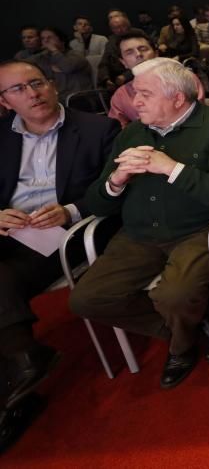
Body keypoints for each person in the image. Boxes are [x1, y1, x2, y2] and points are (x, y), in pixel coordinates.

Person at [68, 58, 209, 389]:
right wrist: (117, 180)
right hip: (137, 235)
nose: (134, 102)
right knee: (86, 299)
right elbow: (96, 203)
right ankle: (191, 327)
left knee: (175, 294)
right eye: (135, 94)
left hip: (198, 230)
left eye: (144, 95)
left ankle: (180, 345)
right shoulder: (132, 133)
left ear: (177, 98)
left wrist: (173, 168)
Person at [0, 61, 118, 414]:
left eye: (36, 83)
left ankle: (22, 363)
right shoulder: (1, 135)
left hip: (63, 232)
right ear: (5, 101)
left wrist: (71, 210)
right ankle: (20, 366)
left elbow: (112, 191)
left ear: (52, 85)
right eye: (18, 89)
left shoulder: (98, 128)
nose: (32, 94)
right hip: (11, 227)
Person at [29, 28, 93, 97]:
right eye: (43, 38)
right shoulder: (43, 57)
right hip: (57, 98)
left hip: (78, 97)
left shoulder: (76, 55)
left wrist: (54, 50)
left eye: (49, 37)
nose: (46, 41)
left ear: (62, 40)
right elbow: (24, 63)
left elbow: (67, 67)